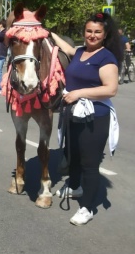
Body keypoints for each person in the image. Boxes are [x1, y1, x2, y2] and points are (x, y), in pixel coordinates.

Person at [50, 12, 123, 226]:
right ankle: (75, 187)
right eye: (89, 31)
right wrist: (49, 33)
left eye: (97, 32)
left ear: (105, 34)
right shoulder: (81, 51)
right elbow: (68, 49)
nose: (92, 35)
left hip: (95, 117)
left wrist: (79, 93)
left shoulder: (106, 58)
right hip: (74, 114)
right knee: (73, 155)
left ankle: (87, 208)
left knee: (89, 164)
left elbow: (111, 89)